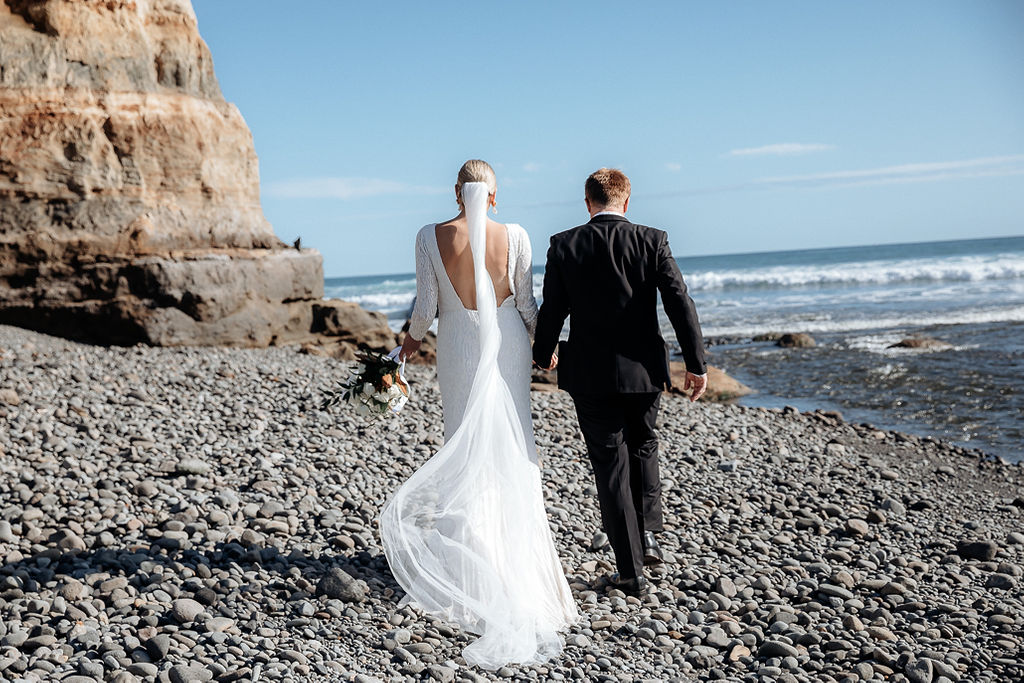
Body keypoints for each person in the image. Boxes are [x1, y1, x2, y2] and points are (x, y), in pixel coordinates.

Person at [379, 160, 578, 670]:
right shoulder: (514, 234)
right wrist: (545, 346)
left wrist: (403, 350)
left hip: (459, 347)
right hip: (507, 342)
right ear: (493, 195)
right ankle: (522, 569)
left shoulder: (428, 236)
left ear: (455, 192)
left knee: (461, 441)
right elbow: (527, 304)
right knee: (514, 445)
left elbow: (425, 309)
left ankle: (466, 568)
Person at [533, 167, 707, 597]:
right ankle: (647, 531)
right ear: (626, 202)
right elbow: (679, 301)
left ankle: (630, 571)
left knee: (610, 464)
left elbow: (553, 307)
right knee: (644, 444)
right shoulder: (653, 240)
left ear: (588, 202)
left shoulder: (564, 245)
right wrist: (696, 363)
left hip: (590, 373)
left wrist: (543, 352)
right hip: (644, 369)